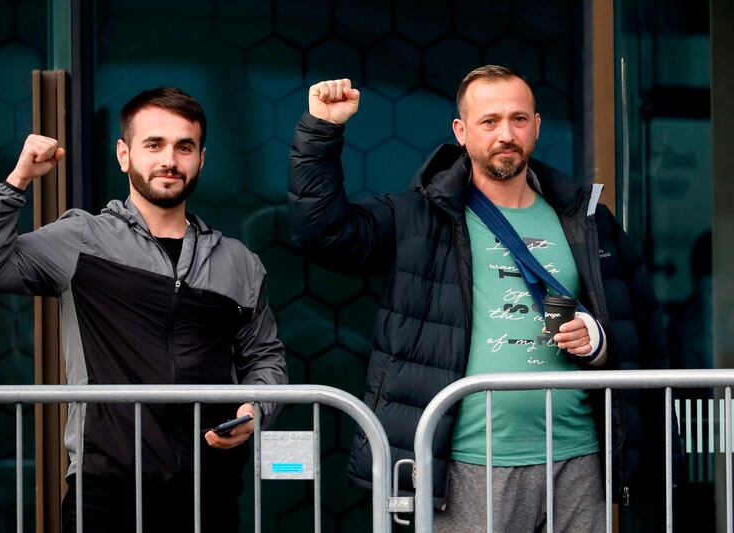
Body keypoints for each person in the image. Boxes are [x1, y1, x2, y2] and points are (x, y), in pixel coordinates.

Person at [288, 66, 672, 531]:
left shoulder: (587, 218)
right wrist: (322, 130)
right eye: (489, 121)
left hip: (579, 457)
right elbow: (321, 234)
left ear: (536, 126)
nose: (505, 134)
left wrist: (600, 343)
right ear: (462, 131)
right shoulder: (420, 216)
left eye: (518, 119)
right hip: (466, 463)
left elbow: (643, 331)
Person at [0, 87, 287, 532]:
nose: (169, 159)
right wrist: (17, 182)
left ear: (201, 159)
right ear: (124, 154)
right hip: (106, 485)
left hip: (209, 488)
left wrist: (256, 410)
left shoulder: (239, 263)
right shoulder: (81, 238)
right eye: (154, 145)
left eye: (183, 146)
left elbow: (265, 358)